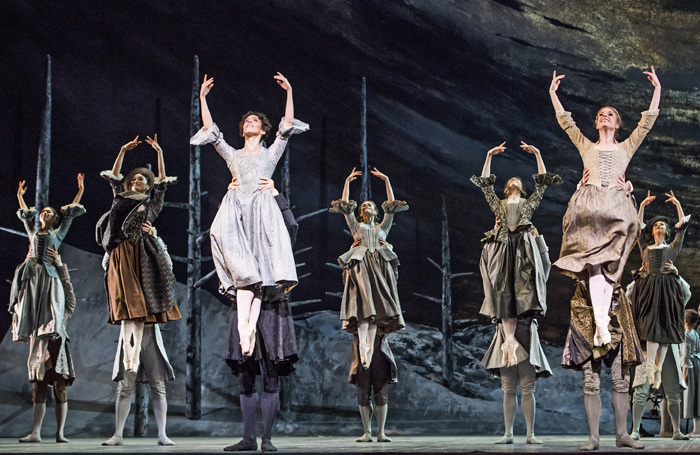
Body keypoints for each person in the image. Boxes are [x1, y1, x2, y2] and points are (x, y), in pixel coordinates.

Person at [190, 72, 308, 357]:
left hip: (262, 211)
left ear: (263, 130)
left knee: (259, 276)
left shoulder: (270, 154)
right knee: (243, 271)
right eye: (246, 121)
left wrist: (290, 91)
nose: (249, 123)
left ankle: (249, 327)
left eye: (254, 121)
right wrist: (203, 98)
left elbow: (287, 125)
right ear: (242, 130)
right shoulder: (234, 155)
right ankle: (245, 327)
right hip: (238, 212)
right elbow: (212, 132)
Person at [549, 67, 661, 347]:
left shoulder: (625, 148)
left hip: (614, 206)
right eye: (600, 114)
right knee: (592, 265)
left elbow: (646, 125)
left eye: (609, 114)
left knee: (607, 266)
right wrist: (553, 94)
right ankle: (601, 322)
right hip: (590, 205)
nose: (603, 116)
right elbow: (567, 125)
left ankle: (601, 321)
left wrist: (657, 90)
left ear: (617, 123)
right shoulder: (587, 147)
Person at [96, 135, 180, 446]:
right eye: (136, 179)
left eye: (144, 180)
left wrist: (158, 153)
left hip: (142, 253)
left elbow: (161, 185)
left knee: (155, 382)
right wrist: (121, 150)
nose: (140, 182)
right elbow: (114, 178)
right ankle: (117, 434)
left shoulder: (151, 203)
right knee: (127, 379)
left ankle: (162, 433)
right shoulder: (120, 197)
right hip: (122, 254)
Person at [222, 178, 299, 453]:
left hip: (272, 306)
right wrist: (229, 196)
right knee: (245, 373)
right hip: (244, 305)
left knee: (271, 374)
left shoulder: (275, 235)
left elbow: (291, 226)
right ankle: (248, 438)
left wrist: (276, 194)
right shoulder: (241, 235)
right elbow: (223, 230)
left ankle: (266, 438)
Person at [471, 141, 561, 368]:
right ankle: (508, 341)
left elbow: (542, 184)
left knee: (522, 289)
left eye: (518, 180)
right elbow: (485, 187)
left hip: (522, 248)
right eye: (510, 180)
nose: (514, 180)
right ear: (505, 188)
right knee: (503, 293)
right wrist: (489, 154)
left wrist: (538, 152)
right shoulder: (499, 204)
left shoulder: (527, 205)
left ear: (521, 188)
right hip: (503, 247)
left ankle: (519, 335)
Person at [331, 168, 407, 368]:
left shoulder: (382, 227)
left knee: (374, 310)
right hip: (361, 266)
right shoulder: (357, 227)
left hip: (379, 269)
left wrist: (387, 180)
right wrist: (347, 182)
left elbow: (391, 206)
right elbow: (346, 207)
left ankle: (368, 348)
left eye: (369, 205)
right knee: (364, 306)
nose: (366, 207)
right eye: (363, 205)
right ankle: (364, 348)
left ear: (375, 211)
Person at [10, 173, 85, 343]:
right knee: (28, 302)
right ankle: (28, 327)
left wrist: (80, 190)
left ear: (54, 218)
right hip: (31, 272)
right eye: (43, 212)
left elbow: (70, 214)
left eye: (48, 212)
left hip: (48, 272)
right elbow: (25, 219)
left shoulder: (58, 234)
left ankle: (47, 329)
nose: (44, 213)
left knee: (47, 305)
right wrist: (19, 197)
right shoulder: (34, 232)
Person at [631, 190, 691, 387]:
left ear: (666, 231)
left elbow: (682, 229)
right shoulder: (646, 248)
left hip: (666, 290)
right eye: (656, 224)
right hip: (649, 289)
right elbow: (638, 229)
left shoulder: (671, 248)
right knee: (650, 326)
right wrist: (641, 206)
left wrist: (677, 204)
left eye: (662, 225)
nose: (659, 226)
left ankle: (658, 369)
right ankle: (650, 368)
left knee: (664, 330)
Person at [18, 247, 76, 443]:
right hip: (39, 346)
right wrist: (28, 262)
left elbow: (70, 295)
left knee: (60, 389)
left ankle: (60, 433)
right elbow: (24, 289)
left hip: (57, 343)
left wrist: (60, 266)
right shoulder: (36, 303)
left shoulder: (61, 305)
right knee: (38, 389)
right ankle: (36, 432)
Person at [349, 329, 397, 443]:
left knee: (381, 394)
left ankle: (381, 432)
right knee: (363, 393)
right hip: (361, 348)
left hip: (379, 348)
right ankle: (367, 432)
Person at [683, 309, 700, 437]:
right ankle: (697, 428)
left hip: (690, 366)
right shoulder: (695, 333)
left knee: (692, 396)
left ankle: (697, 430)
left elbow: (685, 356)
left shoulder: (687, 335)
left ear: (684, 321)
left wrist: (684, 376)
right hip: (697, 363)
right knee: (696, 396)